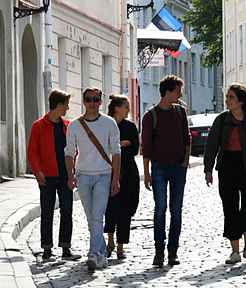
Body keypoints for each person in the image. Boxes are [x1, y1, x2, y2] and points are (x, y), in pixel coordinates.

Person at [204, 84, 246, 265]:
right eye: (227, 97)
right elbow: (211, 146)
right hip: (227, 167)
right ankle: (234, 251)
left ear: (241, 101)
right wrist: (208, 169)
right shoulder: (222, 120)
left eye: (231, 97)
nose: (227, 100)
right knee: (230, 209)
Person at [65, 87, 121, 271]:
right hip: (82, 176)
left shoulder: (109, 123)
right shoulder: (74, 125)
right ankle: (103, 253)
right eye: (88, 99)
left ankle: (93, 254)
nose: (92, 103)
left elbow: (116, 151)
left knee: (97, 216)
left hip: (103, 175)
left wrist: (115, 178)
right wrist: (70, 175)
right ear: (83, 102)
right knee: (91, 219)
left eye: (96, 99)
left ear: (101, 102)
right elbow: (69, 152)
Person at [141, 75, 191, 267]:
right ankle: (159, 251)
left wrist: (185, 162)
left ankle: (173, 250)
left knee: (176, 210)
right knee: (160, 208)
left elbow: (187, 138)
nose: (180, 95)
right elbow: (146, 146)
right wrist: (147, 173)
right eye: (178, 91)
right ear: (168, 92)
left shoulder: (180, 112)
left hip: (179, 167)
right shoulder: (150, 115)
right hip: (159, 167)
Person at [27, 89, 81, 262]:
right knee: (47, 212)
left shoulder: (68, 125)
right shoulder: (38, 125)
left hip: (65, 175)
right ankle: (47, 251)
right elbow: (32, 151)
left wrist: (74, 170)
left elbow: (74, 148)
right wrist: (37, 171)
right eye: (65, 105)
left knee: (67, 211)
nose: (67, 108)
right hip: (46, 176)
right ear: (59, 105)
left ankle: (66, 249)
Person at [104, 94, 140, 260]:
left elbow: (134, 150)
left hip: (128, 173)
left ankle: (120, 246)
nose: (129, 110)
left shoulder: (130, 127)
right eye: (126, 107)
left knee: (126, 209)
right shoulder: (104, 124)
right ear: (117, 108)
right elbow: (104, 148)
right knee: (110, 207)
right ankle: (110, 241)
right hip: (108, 171)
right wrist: (120, 144)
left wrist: (117, 145)